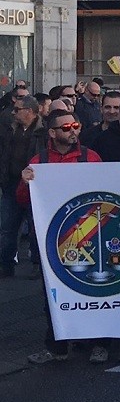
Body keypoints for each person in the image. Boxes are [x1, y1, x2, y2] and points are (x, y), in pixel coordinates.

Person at [20, 110, 103, 364]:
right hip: (52, 239)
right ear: (53, 133)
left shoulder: (91, 157)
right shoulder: (40, 160)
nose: (73, 131)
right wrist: (25, 182)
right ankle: (56, 346)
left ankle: (97, 342)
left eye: (76, 125)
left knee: (91, 290)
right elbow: (23, 201)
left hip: (87, 236)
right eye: (66, 127)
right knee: (53, 294)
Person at [0, 94, 45, 278]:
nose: (14, 113)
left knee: (36, 227)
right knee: (7, 227)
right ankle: (6, 264)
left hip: (34, 186)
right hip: (11, 184)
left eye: (18, 109)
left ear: (30, 112)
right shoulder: (9, 128)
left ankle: (36, 263)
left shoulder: (43, 132)